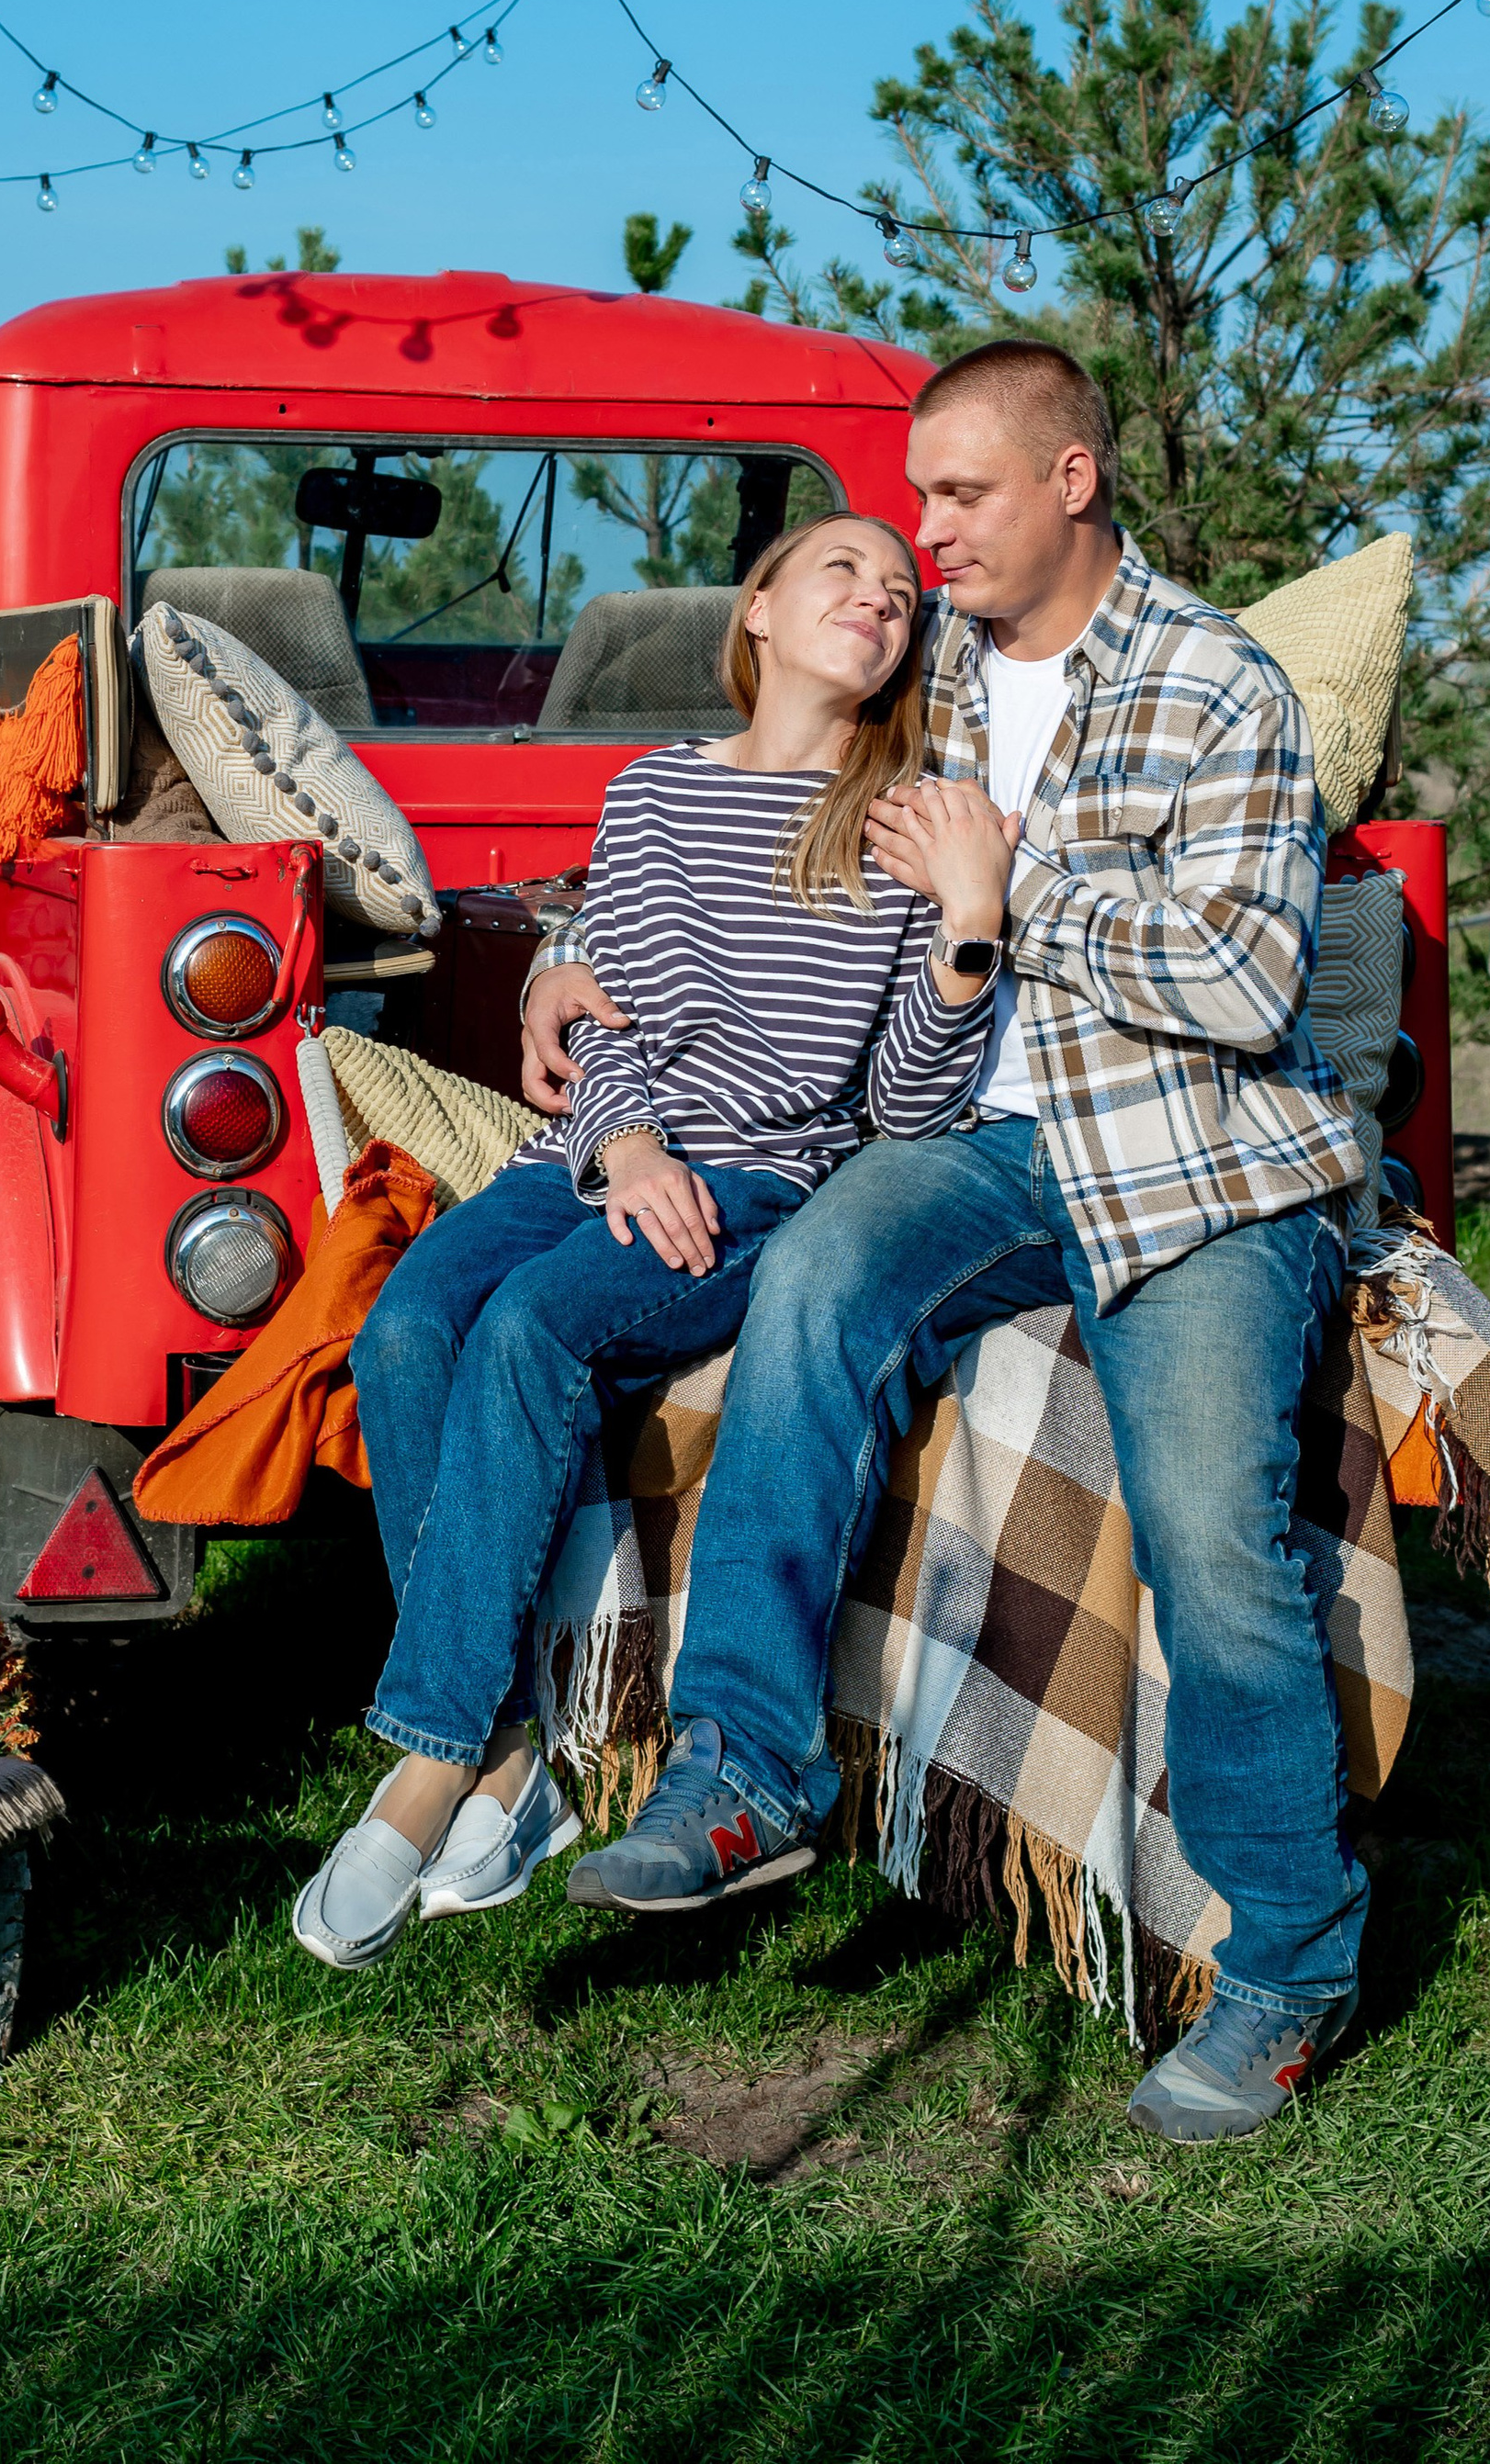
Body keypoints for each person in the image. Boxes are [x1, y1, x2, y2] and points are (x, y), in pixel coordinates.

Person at [523, 343, 1367, 2145]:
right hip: (980, 1149)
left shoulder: (1217, 681)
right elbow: (723, 820)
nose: (925, 533)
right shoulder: (935, 676)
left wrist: (1011, 897)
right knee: (818, 1282)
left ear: (1071, 479)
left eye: (960, 494)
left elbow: (1247, 982)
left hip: (1192, 1160)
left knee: (1211, 1528)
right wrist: (560, 960)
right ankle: (742, 1772)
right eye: (915, 499)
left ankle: (1294, 1964)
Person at [292, 512, 1012, 1972]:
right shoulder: (656, 790)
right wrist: (621, 1146)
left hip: (756, 1184)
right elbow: (596, 1003)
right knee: (404, 1329)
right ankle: (513, 1754)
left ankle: (431, 1761)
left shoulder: (901, 823)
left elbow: (901, 1106)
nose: (879, 596)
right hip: (598, 1153)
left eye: (900, 591)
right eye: (842, 569)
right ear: (759, 610)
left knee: (531, 1330)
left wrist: (967, 928)